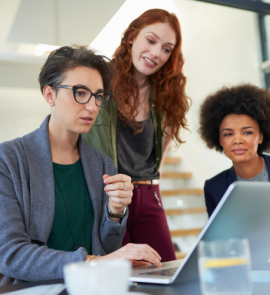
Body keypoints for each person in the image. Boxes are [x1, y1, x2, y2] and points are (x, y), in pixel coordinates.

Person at [0, 45, 162, 285]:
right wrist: (92, 262)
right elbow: (10, 254)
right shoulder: (9, 159)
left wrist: (115, 212)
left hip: (92, 287)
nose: (92, 106)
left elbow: (106, 246)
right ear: (49, 95)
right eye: (80, 92)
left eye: (98, 96)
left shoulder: (102, 163)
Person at [83, 9, 190, 262]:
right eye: (151, 40)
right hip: (109, 195)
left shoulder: (166, 93)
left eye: (167, 49)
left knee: (165, 268)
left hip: (148, 195)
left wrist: (155, 186)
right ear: (131, 37)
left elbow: (162, 146)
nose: (156, 53)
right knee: (124, 276)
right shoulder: (100, 82)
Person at [198, 84, 270, 217]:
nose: (237, 140)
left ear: (261, 136)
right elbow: (218, 236)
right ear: (219, 140)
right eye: (228, 134)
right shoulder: (214, 187)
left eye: (247, 132)